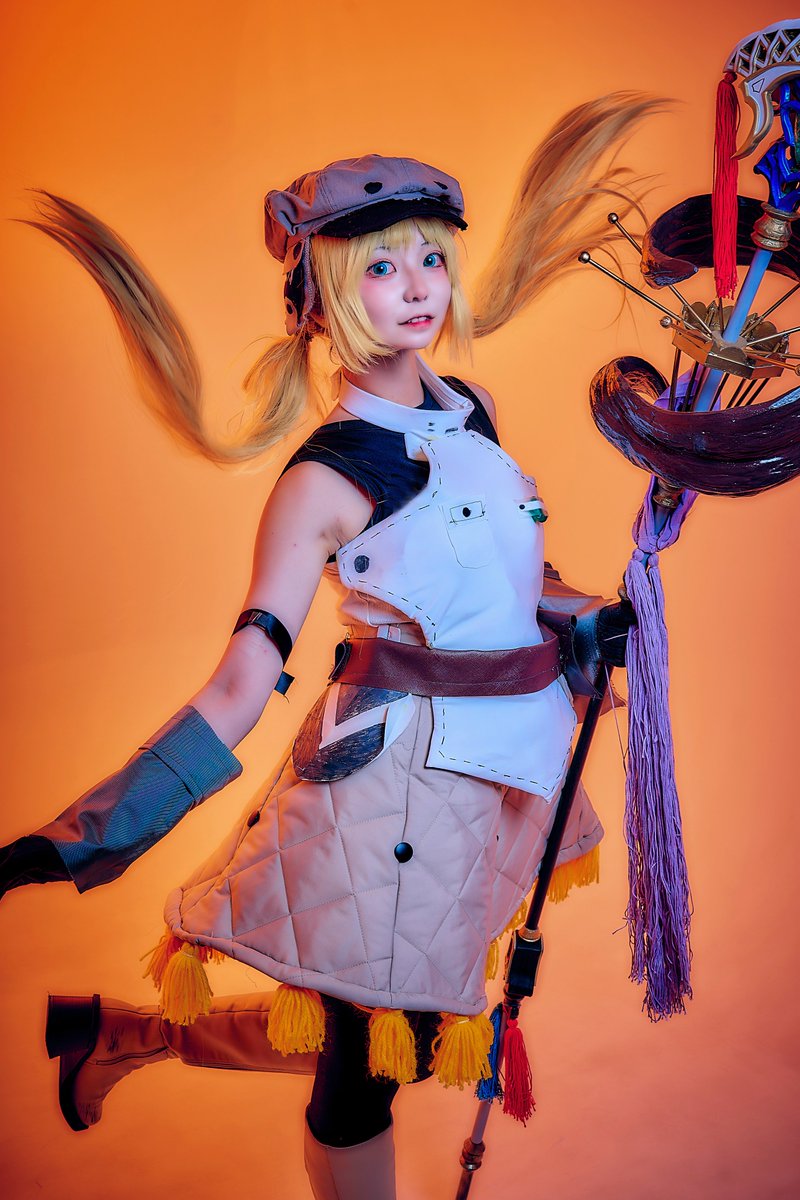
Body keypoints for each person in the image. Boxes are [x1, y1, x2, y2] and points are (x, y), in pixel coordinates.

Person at [1, 98, 645, 1199]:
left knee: (399, 1041)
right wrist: (79, 838)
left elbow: (500, 576)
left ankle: (122, 1038)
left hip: (495, 763)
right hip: (386, 789)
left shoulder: (471, 407)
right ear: (325, 293)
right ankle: (130, 1042)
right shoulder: (321, 478)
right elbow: (242, 681)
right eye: (379, 267)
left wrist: (582, 615)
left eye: (429, 260)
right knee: (362, 1076)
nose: (416, 288)